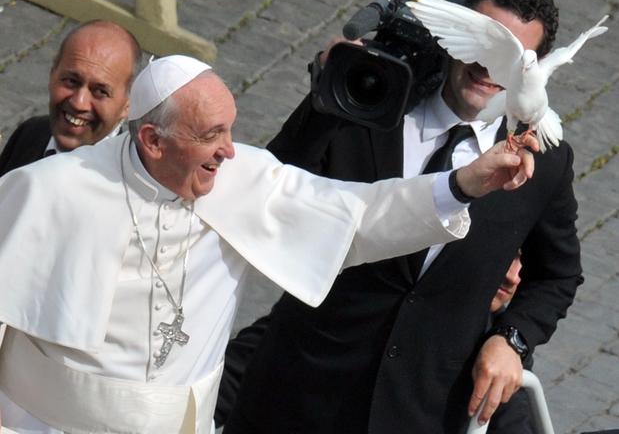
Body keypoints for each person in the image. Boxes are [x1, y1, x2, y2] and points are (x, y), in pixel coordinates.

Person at [0, 54, 536, 434]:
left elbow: (357, 215)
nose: (229, 151)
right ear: (152, 140)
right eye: (210, 135)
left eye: (230, 130)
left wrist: (462, 185)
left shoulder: (239, 181)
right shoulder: (46, 191)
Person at [222, 0, 583, 434]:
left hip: (419, 413)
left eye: (511, 57)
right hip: (297, 395)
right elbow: (272, 182)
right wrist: (324, 97)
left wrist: (512, 340)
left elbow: (558, 274)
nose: (488, 67)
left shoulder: (543, 163)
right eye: (483, 42)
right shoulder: (366, 101)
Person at [0, 19, 141, 176]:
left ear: (128, 105)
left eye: (100, 92)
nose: (79, 103)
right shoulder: (30, 133)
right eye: (71, 81)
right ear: (52, 73)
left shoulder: (124, 184)